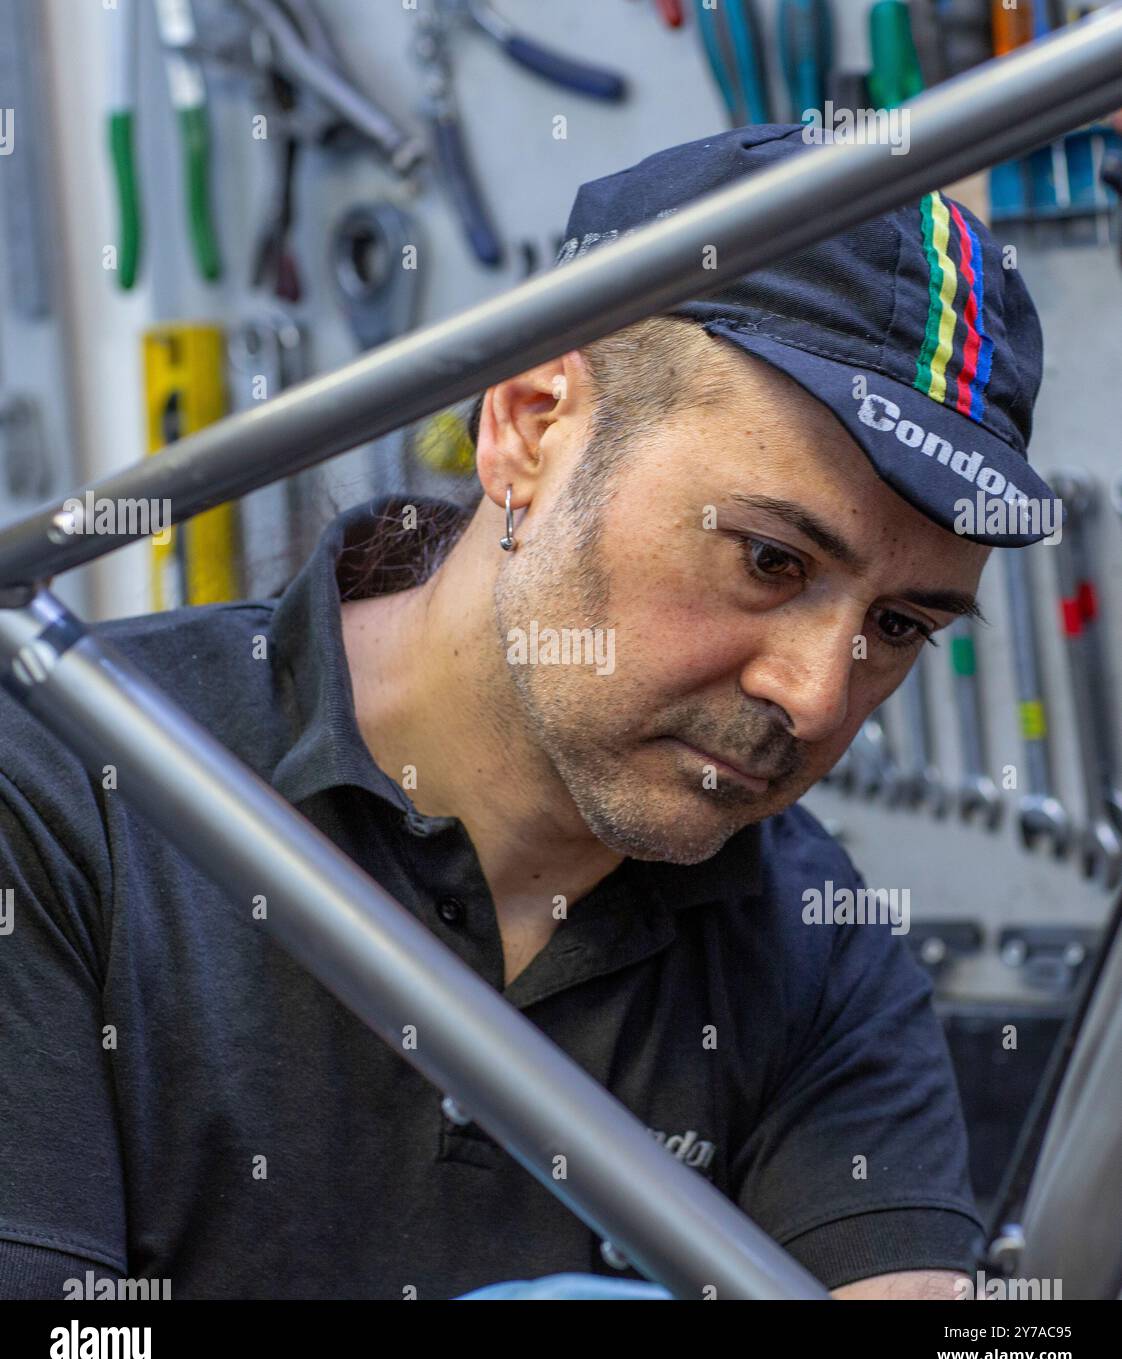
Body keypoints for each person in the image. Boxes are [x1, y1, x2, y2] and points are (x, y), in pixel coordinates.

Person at [0, 125, 1053, 1300]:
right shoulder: (66, 784)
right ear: (532, 423)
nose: (814, 696)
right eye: (767, 559)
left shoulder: (820, 948)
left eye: (899, 627)